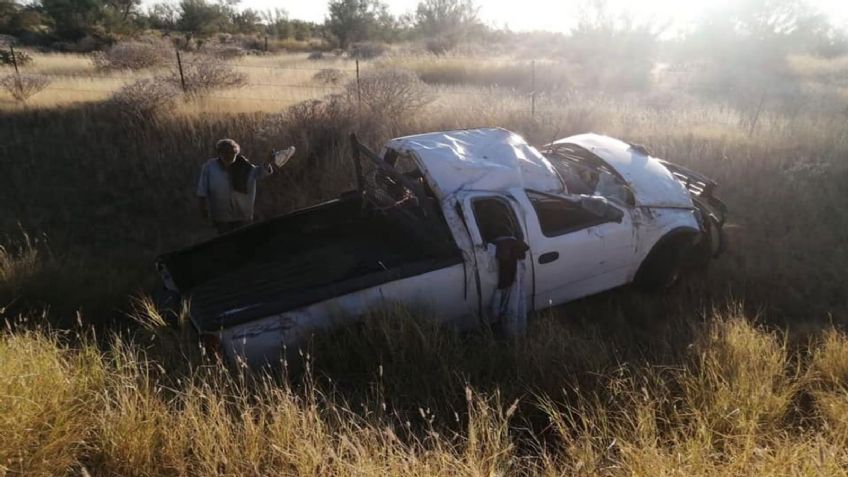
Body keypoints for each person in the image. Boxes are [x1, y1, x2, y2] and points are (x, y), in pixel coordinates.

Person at [196, 138, 293, 234]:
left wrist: (267, 162)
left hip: (242, 215)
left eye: (232, 152)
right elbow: (202, 191)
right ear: (219, 153)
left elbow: (259, 172)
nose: (229, 155)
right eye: (225, 152)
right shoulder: (209, 167)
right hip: (221, 216)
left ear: (236, 153)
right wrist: (204, 211)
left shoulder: (244, 166)